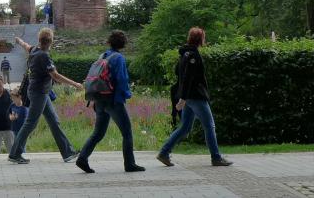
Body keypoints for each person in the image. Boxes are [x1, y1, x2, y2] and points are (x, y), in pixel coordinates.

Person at [157, 27, 233, 167]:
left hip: (189, 97)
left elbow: (178, 73)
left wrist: (183, 97)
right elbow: (188, 78)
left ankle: (164, 153)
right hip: (195, 96)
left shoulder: (184, 54)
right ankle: (216, 157)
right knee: (209, 126)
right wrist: (183, 99)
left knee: (185, 128)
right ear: (201, 39)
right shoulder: (193, 55)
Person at [7, 28, 83, 164]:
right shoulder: (44, 56)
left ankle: (68, 153)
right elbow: (55, 76)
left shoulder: (34, 50)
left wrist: (19, 41)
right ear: (50, 42)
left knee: (54, 121)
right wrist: (75, 84)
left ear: (39, 40)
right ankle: (14, 154)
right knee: (30, 123)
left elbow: (25, 45)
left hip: (40, 92)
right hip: (39, 93)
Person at [75, 30, 145, 173]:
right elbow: (122, 80)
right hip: (113, 101)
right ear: (123, 43)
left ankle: (82, 158)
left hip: (99, 100)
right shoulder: (119, 58)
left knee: (98, 133)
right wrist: (124, 96)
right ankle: (130, 164)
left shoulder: (103, 56)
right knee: (127, 132)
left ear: (109, 42)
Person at [8, 88, 29, 153]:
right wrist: (10, 117)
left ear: (19, 97)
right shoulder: (12, 105)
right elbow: (9, 113)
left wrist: (16, 117)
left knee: (21, 144)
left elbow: (25, 117)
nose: (13, 100)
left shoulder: (24, 107)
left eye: (14, 98)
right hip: (15, 128)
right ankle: (17, 155)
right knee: (16, 143)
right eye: (12, 98)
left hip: (22, 129)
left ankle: (22, 155)